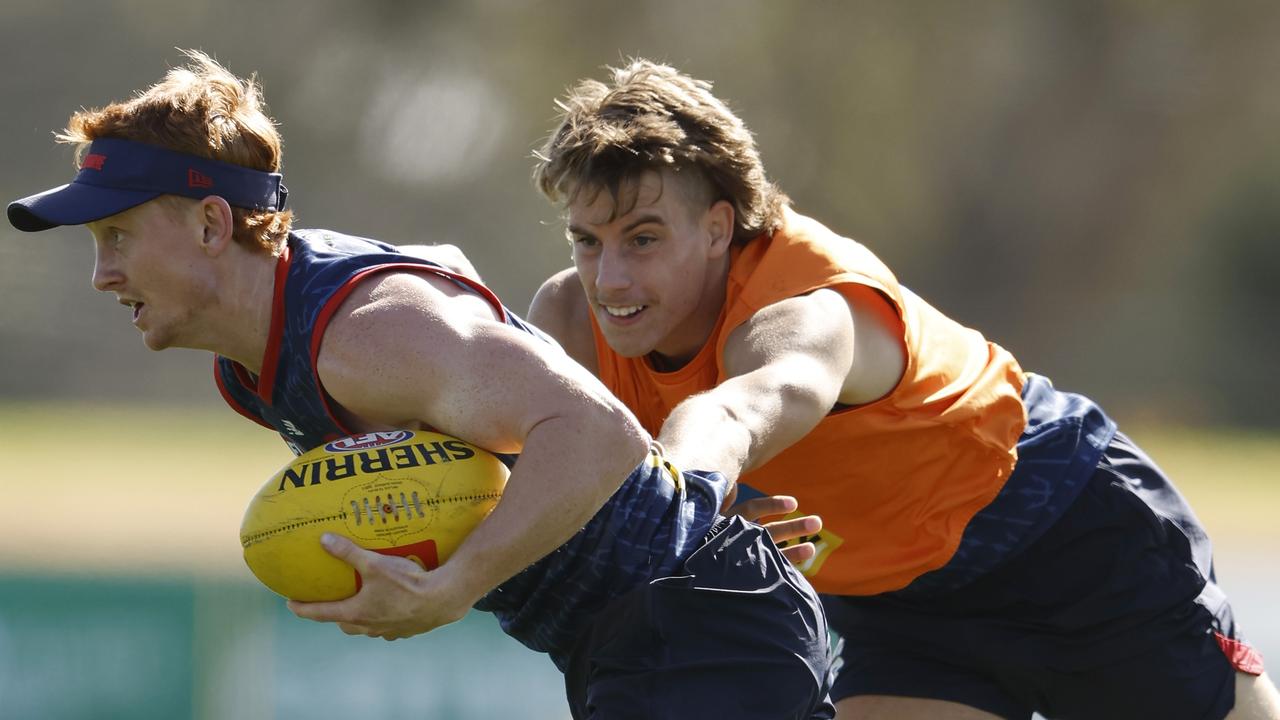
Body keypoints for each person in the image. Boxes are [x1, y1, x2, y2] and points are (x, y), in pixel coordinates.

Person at [5, 52, 836, 719]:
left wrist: (453, 589)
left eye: (117, 235)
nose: (101, 274)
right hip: (650, 634)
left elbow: (595, 435)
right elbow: (461, 289)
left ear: (214, 224)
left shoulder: (362, 333)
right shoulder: (256, 362)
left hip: (694, 627)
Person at [526, 59, 1280, 720]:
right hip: (906, 608)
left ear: (720, 227)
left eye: (644, 239)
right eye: (587, 242)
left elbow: (739, 407)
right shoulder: (568, 319)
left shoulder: (806, 305)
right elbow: (528, 472)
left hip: (1069, 534)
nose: (610, 279)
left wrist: (676, 507)